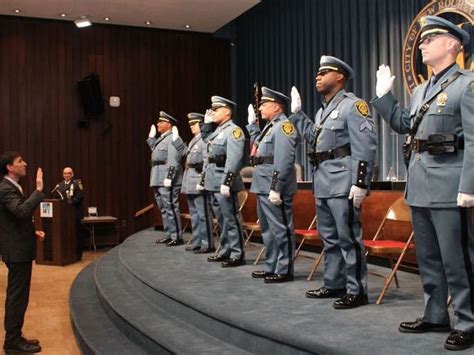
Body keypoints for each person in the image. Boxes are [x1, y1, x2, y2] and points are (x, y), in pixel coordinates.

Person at [372, 16, 474, 351]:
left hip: (449, 184)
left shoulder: (466, 84)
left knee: (455, 258)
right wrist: (385, 98)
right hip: (419, 183)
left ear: (452, 44)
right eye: (423, 40)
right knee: (429, 257)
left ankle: (467, 321)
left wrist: (469, 185)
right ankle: (435, 314)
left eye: (431, 39)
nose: (423, 44)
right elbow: (405, 124)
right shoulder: (421, 91)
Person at [290, 55, 377, 309]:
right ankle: (334, 283)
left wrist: (361, 182)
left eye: (323, 73)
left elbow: (366, 146)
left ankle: (357, 290)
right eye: (317, 73)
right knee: (329, 237)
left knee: (348, 238)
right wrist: (298, 115)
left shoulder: (354, 106)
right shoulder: (322, 111)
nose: (317, 77)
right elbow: (312, 138)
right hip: (323, 181)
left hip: (342, 181)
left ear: (339, 76)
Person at [246, 87, 298, 283]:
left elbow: (284, 160)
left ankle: (284, 269)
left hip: (274, 185)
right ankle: (271, 265)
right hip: (262, 182)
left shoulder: (285, 126)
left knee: (280, 228)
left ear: (276, 107)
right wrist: (252, 126)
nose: (260, 108)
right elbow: (259, 146)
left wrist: (276, 186)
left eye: (264, 104)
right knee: (267, 229)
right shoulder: (270, 127)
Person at [0, 151, 44, 353]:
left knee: (20, 295)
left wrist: (31, 231)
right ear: (9, 167)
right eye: (20, 161)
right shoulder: (5, 188)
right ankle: (12, 342)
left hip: (19, 247)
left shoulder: (12, 186)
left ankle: (15, 337)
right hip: (17, 252)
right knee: (17, 297)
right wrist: (38, 191)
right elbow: (22, 211)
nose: (25, 163)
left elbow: (13, 220)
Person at [199, 96, 246, 267]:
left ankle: (237, 253)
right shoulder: (217, 130)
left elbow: (233, 159)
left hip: (224, 181)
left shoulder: (234, 131)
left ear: (227, 111)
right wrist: (205, 124)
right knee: (221, 219)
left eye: (216, 109)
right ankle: (225, 250)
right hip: (213, 180)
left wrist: (227, 181)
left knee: (230, 218)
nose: (213, 112)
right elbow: (206, 140)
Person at [147, 111, 186, 247]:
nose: (158, 124)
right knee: (163, 208)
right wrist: (151, 139)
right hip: (157, 176)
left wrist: (169, 177)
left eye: (161, 122)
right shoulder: (162, 139)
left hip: (166, 178)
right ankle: (169, 234)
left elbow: (173, 160)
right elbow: (156, 155)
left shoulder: (172, 139)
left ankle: (177, 236)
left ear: (168, 124)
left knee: (170, 207)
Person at [179, 113, 214, 253]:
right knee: (194, 214)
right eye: (191, 125)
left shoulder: (204, 140)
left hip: (198, 178)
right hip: (190, 179)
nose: (192, 127)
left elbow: (206, 161)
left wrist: (203, 180)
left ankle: (207, 244)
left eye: (194, 124)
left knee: (203, 214)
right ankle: (197, 241)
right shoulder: (194, 140)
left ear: (201, 125)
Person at [53, 167, 85, 261]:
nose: (66, 175)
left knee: (76, 235)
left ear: (72, 174)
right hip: (64, 216)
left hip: (74, 214)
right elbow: (56, 198)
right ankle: (67, 255)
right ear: (63, 174)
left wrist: (67, 203)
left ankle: (77, 256)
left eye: (69, 173)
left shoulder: (77, 184)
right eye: (65, 173)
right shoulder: (59, 185)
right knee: (65, 235)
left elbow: (79, 197)